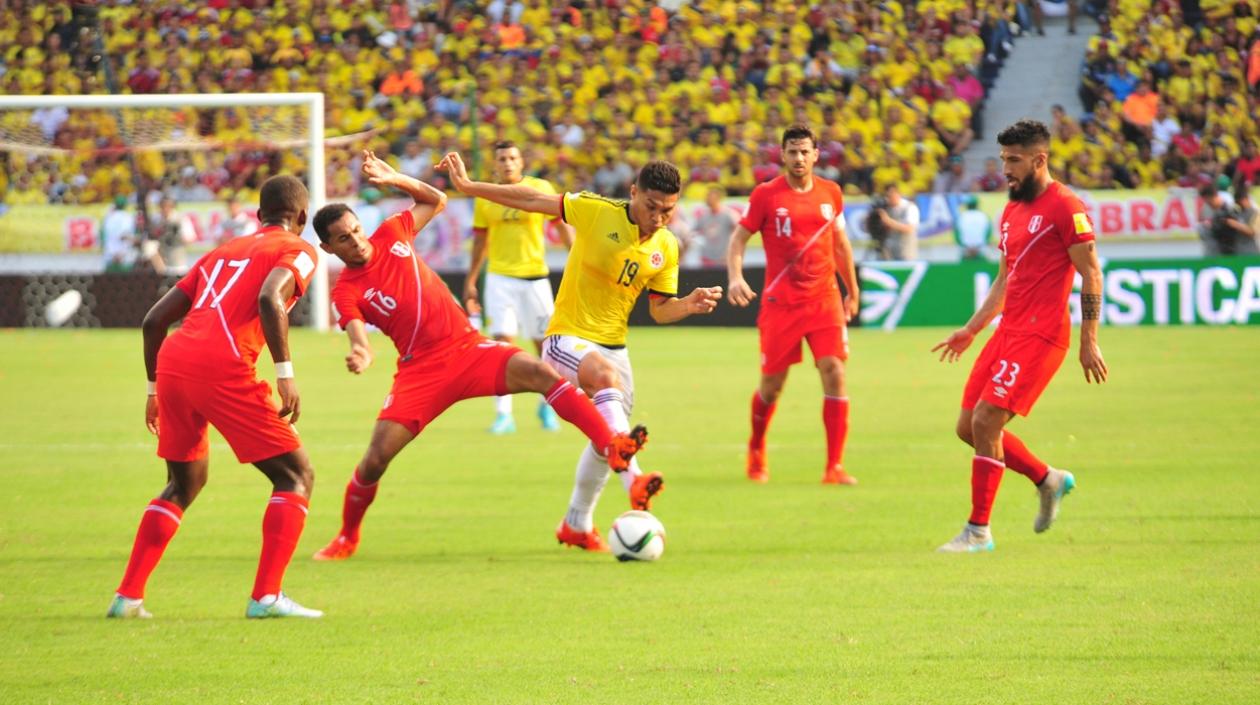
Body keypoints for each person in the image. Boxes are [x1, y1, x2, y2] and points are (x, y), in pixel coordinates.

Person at [309, 151, 646, 561]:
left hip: (469, 349)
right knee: (375, 459)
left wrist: (396, 178)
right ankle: (347, 536)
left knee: (541, 373)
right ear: (328, 248)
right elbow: (355, 332)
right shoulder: (345, 289)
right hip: (421, 372)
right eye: (344, 238)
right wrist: (360, 352)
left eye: (356, 230)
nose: (357, 241)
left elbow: (435, 199)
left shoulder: (391, 233)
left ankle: (612, 445)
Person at [438, 151, 723, 551]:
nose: (658, 217)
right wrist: (469, 187)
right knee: (611, 412)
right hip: (566, 339)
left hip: (614, 348)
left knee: (605, 440)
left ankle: (576, 522)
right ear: (633, 192)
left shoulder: (667, 247)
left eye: (668, 211)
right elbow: (534, 200)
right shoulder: (596, 210)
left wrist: (688, 305)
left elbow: (660, 310)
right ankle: (635, 479)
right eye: (651, 206)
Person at [108, 174, 323, 619]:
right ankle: (266, 597)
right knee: (296, 476)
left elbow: (153, 321)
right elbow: (270, 298)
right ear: (302, 217)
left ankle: (128, 596)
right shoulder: (298, 250)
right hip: (221, 368)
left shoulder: (221, 252)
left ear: (259, 214)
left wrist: (153, 388)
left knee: (184, 483)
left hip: (172, 364)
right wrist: (285, 373)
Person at [932, 119, 1108, 553]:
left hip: (1041, 336)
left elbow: (1091, 274)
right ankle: (1048, 479)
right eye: (1003, 159)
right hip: (1006, 332)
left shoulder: (1067, 207)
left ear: (1039, 159)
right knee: (967, 427)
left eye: (1014, 160)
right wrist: (972, 329)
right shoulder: (1011, 210)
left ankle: (978, 531)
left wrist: (1089, 340)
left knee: (987, 420)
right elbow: (1005, 280)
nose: (1005, 169)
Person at [726, 125, 861, 486]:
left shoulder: (831, 193)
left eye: (805, 152)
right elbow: (738, 239)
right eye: (792, 152)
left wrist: (852, 289)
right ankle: (756, 447)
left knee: (834, 369)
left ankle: (834, 466)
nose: (799, 158)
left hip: (824, 299)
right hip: (781, 304)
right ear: (782, 155)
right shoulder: (766, 195)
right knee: (772, 385)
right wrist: (736, 277)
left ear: (816, 155)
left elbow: (840, 243)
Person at [462, 141, 573, 435]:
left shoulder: (540, 188)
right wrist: (472, 279)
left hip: (535, 277)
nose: (508, 162)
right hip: (500, 278)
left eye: (512, 157)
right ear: (495, 164)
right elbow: (480, 242)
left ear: (521, 162)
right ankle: (504, 415)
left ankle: (546, 408)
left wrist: (576, 258)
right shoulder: (486, 196)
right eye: (502, 158)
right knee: (502, 346)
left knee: (545, 347)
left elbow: (561, 225)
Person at [692, 186, 740, 267]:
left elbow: (739, 229)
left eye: (710, 197)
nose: (707, 199)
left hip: (723, 257)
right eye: (707, 196)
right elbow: (693, 231)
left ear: (717, 198)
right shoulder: (703, 215)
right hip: (707, 257)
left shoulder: (728, 214)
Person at [874, 184, 922, 260]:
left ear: (898, 194)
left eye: (890, 195)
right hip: (889, 252)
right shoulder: (886, 208)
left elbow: (909, 228)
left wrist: (888, 221)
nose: (888, 198)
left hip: (905, 252)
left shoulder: (909, 207)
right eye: (886, 196)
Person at [101, 195, 137, 273]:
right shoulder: (128, 217)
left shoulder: (108, 217)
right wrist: (121, 254)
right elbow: (125, 236)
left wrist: (112, 253)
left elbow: (103, 237)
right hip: (124, 258)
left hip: (110, 256)